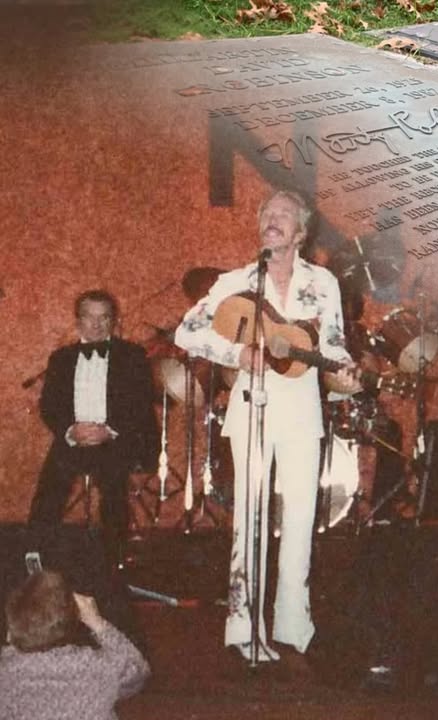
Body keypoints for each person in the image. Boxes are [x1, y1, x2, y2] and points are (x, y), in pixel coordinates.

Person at [175, 190, 359, 664]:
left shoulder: (323, 283)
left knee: (300, 519)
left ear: (301, 233)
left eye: (284, 215)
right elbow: (186, 331)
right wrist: (236, 353)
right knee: (250, 518)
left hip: (303, 410)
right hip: (250, 407)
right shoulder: (236, 281)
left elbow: (333, 345)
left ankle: (294, 626)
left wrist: (344, 372)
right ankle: (244, 628)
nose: (272, 220)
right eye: (267, 214)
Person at [29, 289, 159, 565]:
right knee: (49, 488)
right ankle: (36, 556)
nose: (97, 324)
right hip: (73, 438)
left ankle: (113, 560)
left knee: (113, 489)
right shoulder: (60, 358)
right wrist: (71, 431)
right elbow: (49, 405)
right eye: (90, 317)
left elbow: (140, 403)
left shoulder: (132, 355)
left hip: (113, 439)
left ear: (113, 320)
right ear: (78, 320)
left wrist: (108, 430)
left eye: (104, 317)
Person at [0, 570, 150, 720]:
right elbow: (137, 671)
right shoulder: (97, 666)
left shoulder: (6, 672)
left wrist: (14, 639)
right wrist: (97, 623)